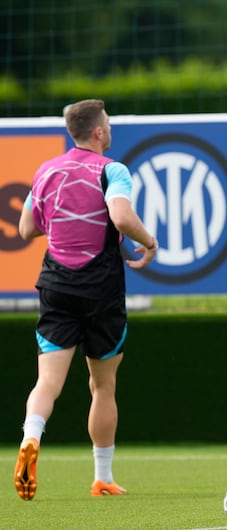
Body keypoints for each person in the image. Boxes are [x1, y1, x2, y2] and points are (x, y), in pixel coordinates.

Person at [14, 99, 158, 501]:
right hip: (101, 291)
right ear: (97, 132)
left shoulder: (47, 170)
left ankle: (31, 437)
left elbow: (26, 229)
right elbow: (121, 218)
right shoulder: (113, 170)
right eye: (107, 124)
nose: (109, 129)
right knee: (102, 386)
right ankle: (103, 477)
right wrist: (149, 242)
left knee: (48, 381)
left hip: (56, 285)